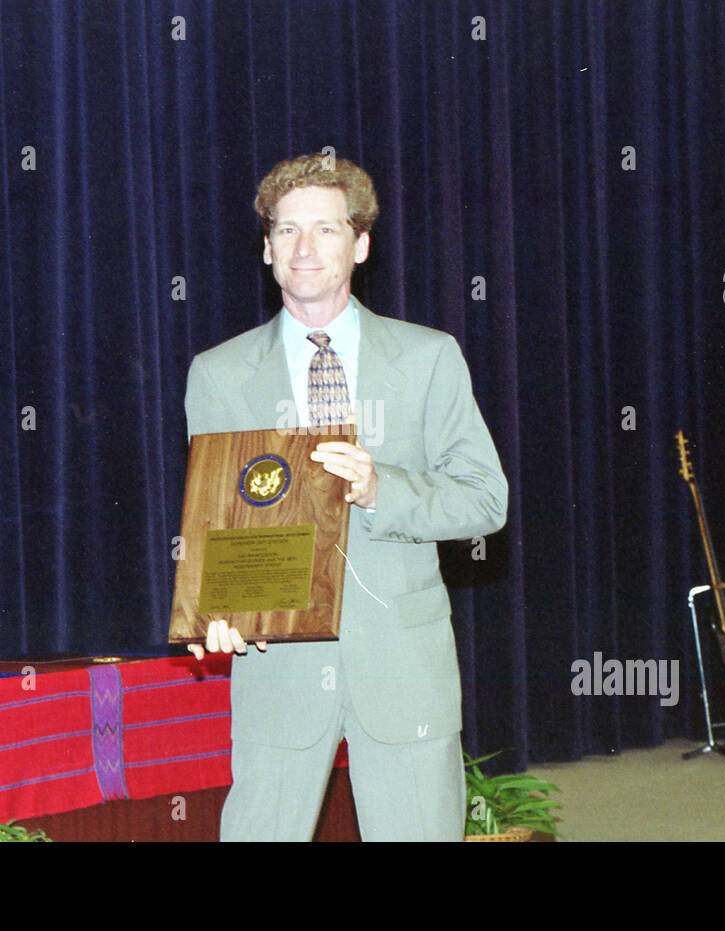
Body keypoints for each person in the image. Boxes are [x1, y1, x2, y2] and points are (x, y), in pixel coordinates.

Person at [185, 154, 507, 840]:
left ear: (360, 245)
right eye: (287, 230)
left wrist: (379, 487)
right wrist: (218, 607)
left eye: (326, 229)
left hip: (403, 667)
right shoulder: (217, 374)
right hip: (279, 671)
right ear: (267, 248)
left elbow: (485, 501)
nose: (305, 248)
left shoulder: (428, 358)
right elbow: (219, 526)